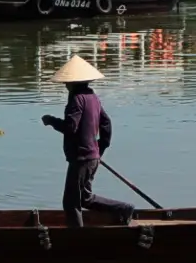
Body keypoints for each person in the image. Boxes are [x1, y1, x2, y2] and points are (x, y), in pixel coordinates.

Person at [41, 56, 135, 228]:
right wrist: (100, 148)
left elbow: (71, 127)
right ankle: (123, 209)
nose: (65, 85)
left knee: (71, 203)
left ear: (73, 82)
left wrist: (51, 121)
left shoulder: (76, 99)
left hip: (82, 158)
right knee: (85, 198)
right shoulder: (93, 97)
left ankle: (77, 239)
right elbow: (106, 123)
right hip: (90, 157)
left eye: (67, 82)